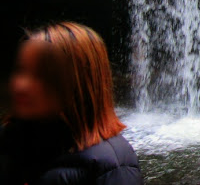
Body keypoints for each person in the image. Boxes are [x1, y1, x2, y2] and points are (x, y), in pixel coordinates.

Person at [0, 22, 143, 185]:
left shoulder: (113, 168)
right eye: (21, 70)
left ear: (77, 84)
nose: (20, 85)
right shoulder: (10, 138)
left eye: (40, 75)